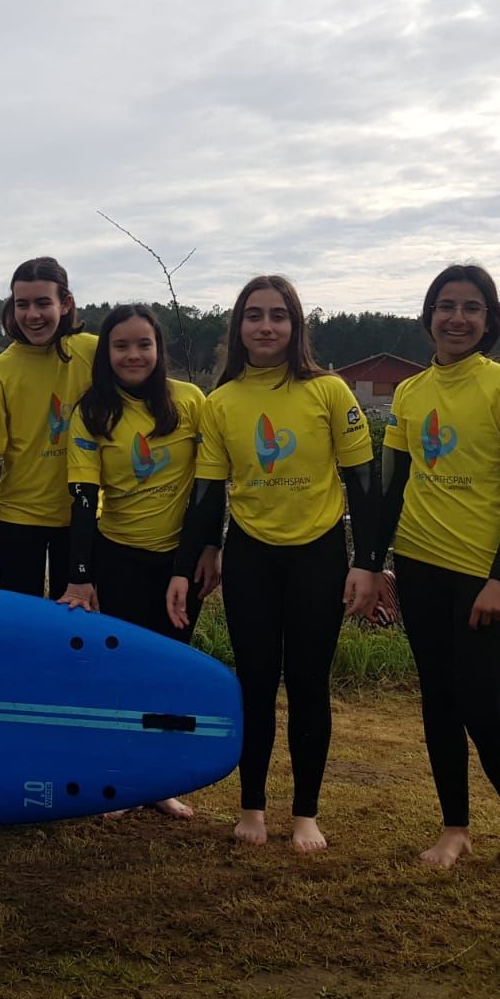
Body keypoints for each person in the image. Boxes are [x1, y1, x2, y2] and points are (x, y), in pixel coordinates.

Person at [378, 264, 500, 887]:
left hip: (482, 574)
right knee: (438, 702)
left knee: (482, 708)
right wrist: (375, 563)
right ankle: (454, 828)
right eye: (445, 306)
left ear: (489, 320)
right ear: (428, 315)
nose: (456, 318)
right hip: (417, 565)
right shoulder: (409, 394)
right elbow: (391, 489)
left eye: (471, 307)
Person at [166, 275, 381, 851]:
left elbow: (364, 483)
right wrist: (190, 563)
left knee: (309, 684)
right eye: (254, 315)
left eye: (278, 315)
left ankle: (306, 813)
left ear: (296, 326)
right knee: (255, 684)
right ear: (238, 327)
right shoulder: (222, 402)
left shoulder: (330, 391)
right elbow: (207, 495)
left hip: (319, 554)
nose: (266, 326)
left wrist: (369, 562)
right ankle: (252, 807)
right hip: (252, 555)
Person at [61, 304, 216, 819]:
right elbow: (84, 497)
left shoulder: (191, 402)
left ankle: (159, 781)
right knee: (120, 672)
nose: (133, 354)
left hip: (180, 561)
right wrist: (81, 577)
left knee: (171, 672)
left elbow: (207, 490)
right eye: (121, 346)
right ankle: (116, 777)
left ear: (158, 349)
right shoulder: (91, 411)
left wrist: (198, 556)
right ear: (106, 353)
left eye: (143, 345)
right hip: (119, 555)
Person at [0, 257, 96, 598]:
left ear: (65, 303)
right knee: (23, 626)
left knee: (78, 625)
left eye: (43, 303)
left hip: (83, 517)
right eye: (22, 304)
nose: (33, 315)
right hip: (18, 518)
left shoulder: (95, 353)